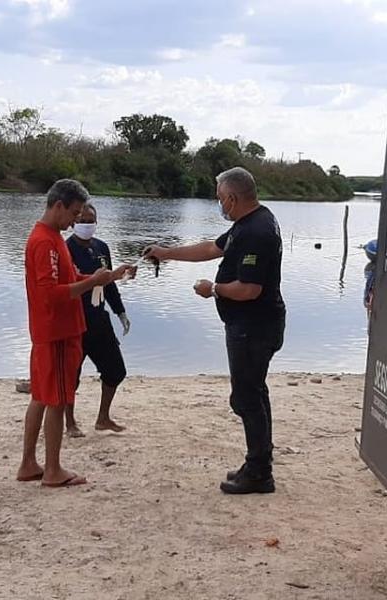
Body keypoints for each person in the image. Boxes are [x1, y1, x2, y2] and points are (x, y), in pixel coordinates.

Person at [144, 166, 286, 494]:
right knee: (252, 392)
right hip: (248, 325)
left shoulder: (257, 231)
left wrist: (214, 289)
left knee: (246, 397)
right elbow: (211, 248)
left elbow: (250, 289)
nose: (219, 204)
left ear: (233, 198)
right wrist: (166, 254)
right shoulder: (247, 223)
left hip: (254, 326)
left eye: (221, 198)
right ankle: (258, 462)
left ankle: (260, 472)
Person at [16, 179, 131, 488]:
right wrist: (90, 282)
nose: (77, 220)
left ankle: (29, 463)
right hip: (57, 331)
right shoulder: (45, 242)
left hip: (50, 329)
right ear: (58, 206)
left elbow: (69, 279)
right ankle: (52, 470)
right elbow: (51, 294)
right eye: (75, 213)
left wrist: (104, 278)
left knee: (41, 396)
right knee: (55, 399)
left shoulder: (52, 238)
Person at [65, 203, 131, 436]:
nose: (86, 224)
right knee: (71, 374)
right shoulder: (66, 249)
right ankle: (70, 422)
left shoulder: (102, 248)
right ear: (73, 222)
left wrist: (120, 312)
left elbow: (109, 283)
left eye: (90, 220)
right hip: (74, 320)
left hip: (99, 319)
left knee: (116, 370)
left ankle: (103, 418)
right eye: (82, 220)